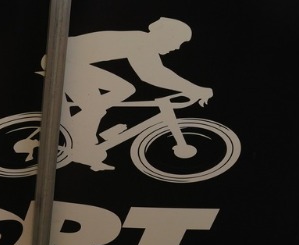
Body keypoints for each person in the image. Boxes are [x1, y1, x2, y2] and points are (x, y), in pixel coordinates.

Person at [57, 17, 212, 171]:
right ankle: (76, 134)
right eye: (177, 41)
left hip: (66, 58)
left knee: (110, 98)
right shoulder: (141, 41)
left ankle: (80, 139)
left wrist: (191, 89)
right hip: (63, 60)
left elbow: (155, 74)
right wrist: (194, 89)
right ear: (165, 35)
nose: (177, 47)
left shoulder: (142, 40)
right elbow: (153, 75)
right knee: (110, 97)